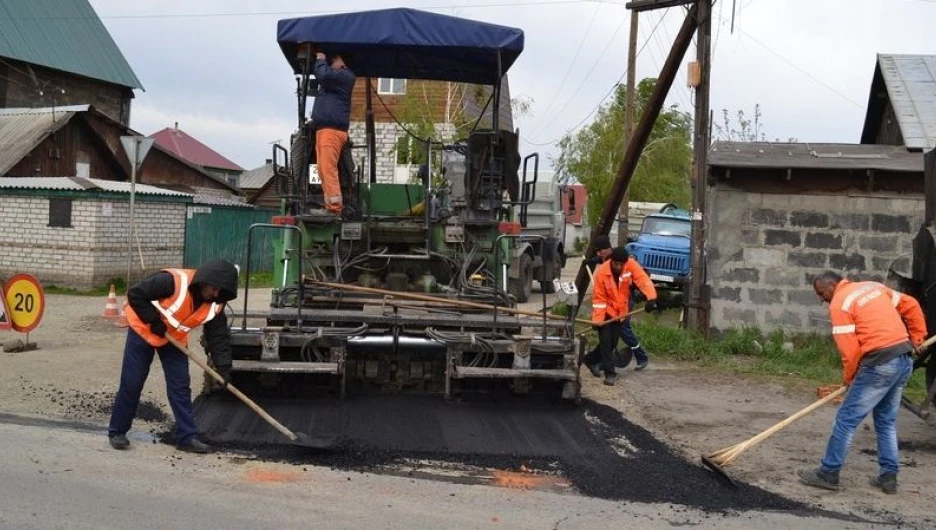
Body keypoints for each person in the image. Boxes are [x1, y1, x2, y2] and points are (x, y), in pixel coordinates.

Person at [799, 271, 925, 494]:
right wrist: (917, 336)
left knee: (845, 420)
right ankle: (888, 477)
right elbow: (911, 304)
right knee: (885, 421)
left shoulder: (839, 304)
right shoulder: (872, 287)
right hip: (903, 360)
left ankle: (828, 473)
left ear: (832, 285)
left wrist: (850, 378)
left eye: (821, 293)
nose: (821, 298)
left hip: (879, 364)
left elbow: (850, 351)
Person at [108, 260, 239, 453]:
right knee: (132, 382)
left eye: (220, 292)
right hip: (143, 330)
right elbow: (136, 294)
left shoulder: (215, 304)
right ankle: (117, 431)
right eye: (214, 289)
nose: (216, 295)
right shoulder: (171, 282)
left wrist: (223, 367)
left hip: (174, 338)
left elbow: (218, 336)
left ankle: (187, 438)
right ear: (204, 281)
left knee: (180, 386)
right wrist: (153, 320)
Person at [582, 246, 659, 386]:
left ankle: (589, 360)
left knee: (612, 343)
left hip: (620, 312)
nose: (618, 267)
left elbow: (643, 280)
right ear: (611, 261)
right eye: (615, 264)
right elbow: (599, 300)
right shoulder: (602, 273)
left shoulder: (630, 265)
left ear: (625, 263)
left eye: (621, 264)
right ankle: (610, 374)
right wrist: (597, 320)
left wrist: (651, 297)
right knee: (606, 343)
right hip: (605, 312)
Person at [311, 51, 356, 217]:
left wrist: (321, 60)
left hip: (332, 131)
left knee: (328, 168)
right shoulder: (336, 80)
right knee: (323, 169)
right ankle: (330, 204)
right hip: (324, 130)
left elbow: (322, 75)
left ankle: (334, 208)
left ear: (342, 61)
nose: (331, 64)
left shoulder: (345, 76)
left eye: (334, 60)